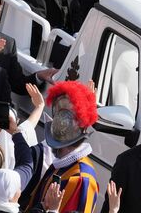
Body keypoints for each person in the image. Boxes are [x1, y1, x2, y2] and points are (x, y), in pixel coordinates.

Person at [24, 81, 99, 213]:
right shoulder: (61, 164)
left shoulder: (82, 178)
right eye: (58, 111)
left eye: (67, 115)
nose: (60, 119)